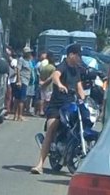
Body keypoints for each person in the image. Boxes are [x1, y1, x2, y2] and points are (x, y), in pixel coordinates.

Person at [31, 43, 85, 174]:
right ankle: (39, 165)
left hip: (71, 105)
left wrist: (84, 99)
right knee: (51, 128)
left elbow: (79, 87)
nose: (79, 58)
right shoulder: (63, 66)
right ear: (71, 55)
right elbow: (55, 76)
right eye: (78, 55)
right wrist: (60, 85)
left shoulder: (76, 70)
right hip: (57, 106)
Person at [13, 46, 32, 121]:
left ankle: (17, 115)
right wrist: (19, 81)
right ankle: (19, 115)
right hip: (22, 81)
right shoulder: (21, 60)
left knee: (19, 99)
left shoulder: (28, 61)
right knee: (20, 99)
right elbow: (18, 70)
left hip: (26, 81)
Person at [38, 52, 56, 116]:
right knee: (48, 100)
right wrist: (45, 83)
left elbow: (40, 76)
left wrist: (41, 83)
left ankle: (41, 111)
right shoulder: (53, 68)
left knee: (42, 99)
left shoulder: (44, 67)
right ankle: (46, 111)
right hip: (49, 86)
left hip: (42, 85)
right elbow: (51, 78)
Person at [4, 46, 17, 119]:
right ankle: (6, 110)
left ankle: (7, 111)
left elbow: (16, 71)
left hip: (9, 81)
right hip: (5, 80)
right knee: (7, 96)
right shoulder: (4, 60)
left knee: (9, 96)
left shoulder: (12, 61)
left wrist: (10, 77)